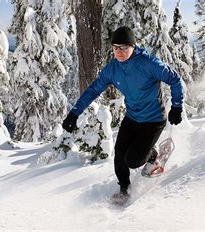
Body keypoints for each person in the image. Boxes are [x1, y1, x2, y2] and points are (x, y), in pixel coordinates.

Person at [62, 26, 183, 198]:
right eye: (115, 47)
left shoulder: (148, 64)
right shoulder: (112, 69)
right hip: (132, 117)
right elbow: (93, 90)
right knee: (119, 155)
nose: (119, 52)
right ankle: (124, 190)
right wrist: (74, 113)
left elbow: (175, 79)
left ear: (133, 46)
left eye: (124, 47)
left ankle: (153, 155)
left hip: (153, 119)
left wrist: (177, 107)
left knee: (133, 161)